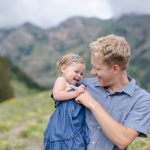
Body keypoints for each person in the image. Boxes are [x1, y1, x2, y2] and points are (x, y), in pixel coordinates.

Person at [75, 34, 150, 150]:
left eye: (98, 68)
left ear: (115, 68)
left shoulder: (142, 100)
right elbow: (59, 93)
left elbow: (123, 140)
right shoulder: (85, 85)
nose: (92, 72)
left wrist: (92, 104)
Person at [44, 53, 89, 150]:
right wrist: (76, 93)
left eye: (81, 73)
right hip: (63, 124)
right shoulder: (61, 80)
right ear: (63, 69)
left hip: (75, 124)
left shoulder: (76, 86)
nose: (79, 75)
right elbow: (57, 95)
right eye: (76, 71)